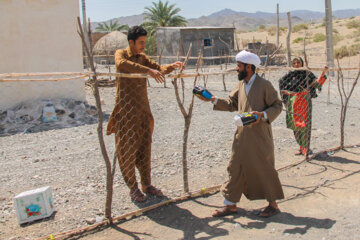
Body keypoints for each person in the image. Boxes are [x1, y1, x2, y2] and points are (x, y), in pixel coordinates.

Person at [198, 50, 284, 218]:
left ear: (249, 67)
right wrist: (213, 99)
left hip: (259, 135)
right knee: (235, 166)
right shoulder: (241, 84)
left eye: (239, 66)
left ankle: (273, 205)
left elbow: (277, 105)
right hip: (242, 135)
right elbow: (232, 103)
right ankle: (230, 205)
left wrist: (262, 115)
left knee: (264, 167)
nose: (236, 69)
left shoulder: (264, 85)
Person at [106, 26, 183, 202]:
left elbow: (158, 68)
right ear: (131, 42)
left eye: (144, 43)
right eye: (140, 43)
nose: (143, 46)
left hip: (143, 111)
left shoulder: (142, 58)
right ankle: (133, 188)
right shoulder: (122, 55)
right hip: (126, 111)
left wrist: (172, 66)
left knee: (144, 147)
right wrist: (147, 71)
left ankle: (146, 184)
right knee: (127, 149)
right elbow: (122, 65)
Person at [279, 57, 328, 156]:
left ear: (302, 63)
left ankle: (306, 148)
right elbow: (281, 85)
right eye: (294, 63)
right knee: (295, 125)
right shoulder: (290, 75)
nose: (296, 64)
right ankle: (300, 147)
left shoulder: (307, 74)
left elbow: (316, 83)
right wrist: (286, 96)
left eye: (298, 62)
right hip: (292, 104)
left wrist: (323, 73)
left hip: (304, 103)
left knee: (305, 125)